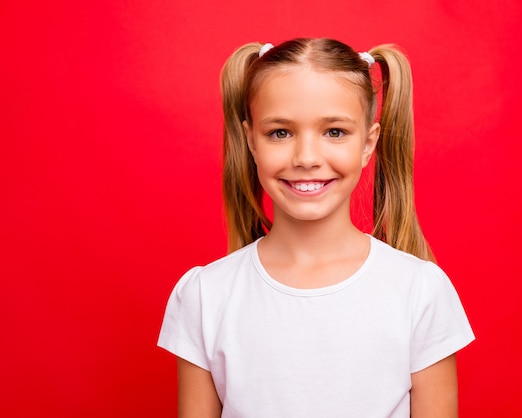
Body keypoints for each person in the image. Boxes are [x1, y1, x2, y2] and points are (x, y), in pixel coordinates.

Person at [158, 38, 474, 417]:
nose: (306, 157)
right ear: (250, 140)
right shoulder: (204, 296)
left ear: (368, 143)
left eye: (335, 132)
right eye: (280, 133)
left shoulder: (420, 290)